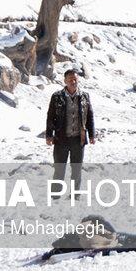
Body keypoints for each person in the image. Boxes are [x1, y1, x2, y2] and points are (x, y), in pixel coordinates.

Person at [45, 68, 96, 198]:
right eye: (70, 80)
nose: (73, 82)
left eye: (75, 79)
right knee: (59, 169)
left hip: (78, 139)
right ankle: (55, 196)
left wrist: (91, 135)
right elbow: (50, 116)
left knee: (77, 170)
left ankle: (75, 196)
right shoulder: (57, 97)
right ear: (65, 81)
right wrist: (49, 135)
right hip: (61, 139)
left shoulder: (84, 96)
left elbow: (89, 116)